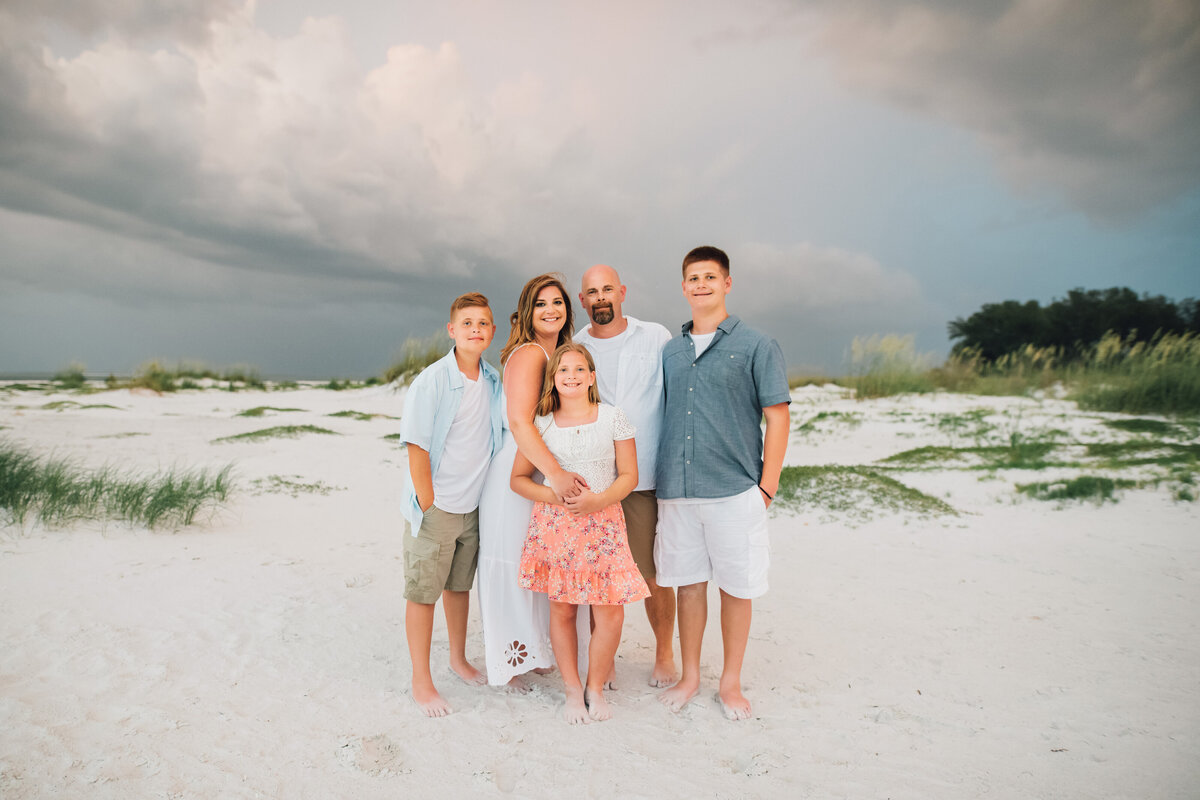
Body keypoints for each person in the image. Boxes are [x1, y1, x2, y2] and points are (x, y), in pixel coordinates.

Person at [655, 246, 791, 721]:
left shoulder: (757, 345)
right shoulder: (671, 350)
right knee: (689, 588)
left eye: (710, 277)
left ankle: (729, 683)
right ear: (684, 285)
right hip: (678, 489)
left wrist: (766, 487)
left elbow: (778, 417)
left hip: (735, 490)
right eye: (692, 277)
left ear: (727, 283)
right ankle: (691, 676)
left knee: (736, 588)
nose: (701, 285)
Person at [511, 343, 649, 723]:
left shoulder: (612, 417)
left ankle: (595, 686)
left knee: (610, 614)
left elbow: (629, 476)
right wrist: (555, 498)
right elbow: (518, 481)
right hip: (557, 529)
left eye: (578, 369)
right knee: (563, 610)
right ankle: (572, 688)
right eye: (562, 371)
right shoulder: (543, 423)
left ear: (591, 376)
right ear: (553, 381)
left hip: (604, 526)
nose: (570, 376)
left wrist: (598, 500)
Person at [477, 273, 587, 690]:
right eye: (541, 303)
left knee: (539, 562)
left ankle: (534, 649)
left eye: (557, 302)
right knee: (512, 562)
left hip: (542, 464)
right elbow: (520, 422)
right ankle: (512, 658)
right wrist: (556, 474)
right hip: (518, 469)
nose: (551, 310)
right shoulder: (529, 354)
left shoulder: (560, 353)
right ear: (527, 311)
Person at [398, 292, 505, 717]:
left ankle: (457, 658)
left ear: (492, 332)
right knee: (423, 591)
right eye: (467, 323)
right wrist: (428, 501)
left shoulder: (494, 380)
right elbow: (416, 445)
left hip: (475, 506)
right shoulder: (433, 380)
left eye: (483, 323)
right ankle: (421, 680)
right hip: (438, 507)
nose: (475, 329)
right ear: (452, 330)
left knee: (458, 587)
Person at [574, 264, 677, 687]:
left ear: (622, 292)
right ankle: (605, 657)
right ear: (582, 301)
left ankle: (665, 654)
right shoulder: (575, 346)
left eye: (607, 289)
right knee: (596, 575)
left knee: (651, 573)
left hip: (644, 476)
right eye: (592, 292)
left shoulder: (656, 337)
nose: (600, 298)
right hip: (593, 478)